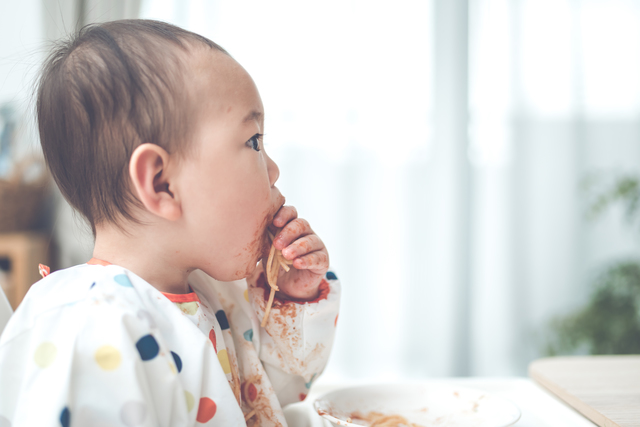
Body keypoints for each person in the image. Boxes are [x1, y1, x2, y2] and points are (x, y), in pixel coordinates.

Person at [0, 19, 340, 427]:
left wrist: (289, 303)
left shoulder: (217, 297)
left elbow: (271, 405)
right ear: (161, 183)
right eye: (253, 142)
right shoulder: (94, 324)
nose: (273, 169)